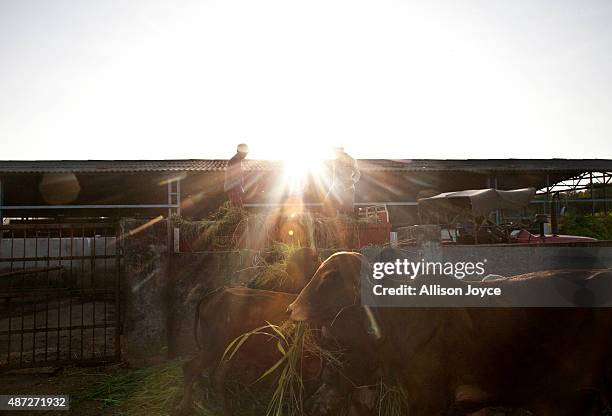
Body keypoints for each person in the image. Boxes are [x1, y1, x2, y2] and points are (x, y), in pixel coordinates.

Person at [325, 146, 361, 215]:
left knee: (347, 208)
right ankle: (334, 219)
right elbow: (335, 175)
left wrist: (352, 181)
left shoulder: (351, 160)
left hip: (348, 187)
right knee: (328, 201)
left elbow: (357, 173)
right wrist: (335, 185)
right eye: (334, 152)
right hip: (336, 187)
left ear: (341, 150)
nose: (335, 153)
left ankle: (347, 220)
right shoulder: (335, 161)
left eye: (336, 151)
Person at [224, 143, 249, 208]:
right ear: (241, 152)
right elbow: (234, 176)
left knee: (237, 207)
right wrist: (239, 188)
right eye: (246, 152)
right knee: (237, 207)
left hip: (233, 187)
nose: (246, 154)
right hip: (232, 187)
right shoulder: (234, 161)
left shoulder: (237, 160)